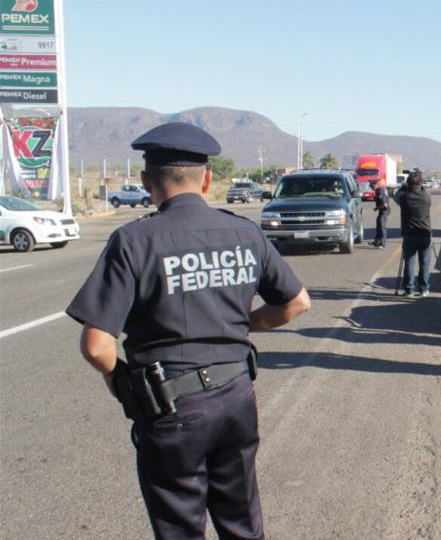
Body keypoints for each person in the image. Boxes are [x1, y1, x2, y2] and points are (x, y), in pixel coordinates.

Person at [65, 122, 311, 540]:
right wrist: (239, 326)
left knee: (180, 528)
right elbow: (296, 303)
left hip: (171, 406)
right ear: (208, 179)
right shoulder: (244, 232)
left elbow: (97, 345)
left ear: (146, 181)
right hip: (236, 396)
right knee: (242, 522)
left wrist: (119, 380)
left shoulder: (134, 241)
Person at [394, 169, 433, 297]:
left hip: (409, 235)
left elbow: (395, 196)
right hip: (425, 234)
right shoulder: (426, 197)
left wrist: (403, 187)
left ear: (408, 183)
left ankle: (409, 290)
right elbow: (425, 192)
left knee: (410, 263)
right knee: (425, 263)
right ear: (421, 183)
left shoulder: (404, 197)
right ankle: (424, 289)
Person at [371, 182, 390, 248]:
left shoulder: (380, 191)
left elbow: (384, 205)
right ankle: (377, 241)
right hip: (381, 210)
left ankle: (382, 243)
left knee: (382, 226)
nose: (371, 187)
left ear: (376, 185)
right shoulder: (378, 190)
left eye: (372, 186)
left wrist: (376, 208)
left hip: (384, 210)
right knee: (378, 224)